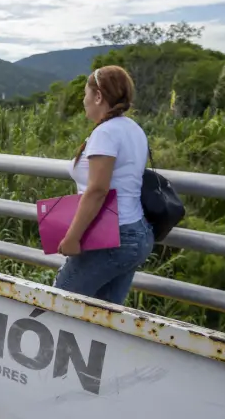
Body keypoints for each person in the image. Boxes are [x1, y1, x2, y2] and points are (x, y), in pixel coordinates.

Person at [53, 65, 154, 305]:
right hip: (136, 233)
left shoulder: (106, 133)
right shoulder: (134, 129)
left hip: (112, 236)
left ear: (98, 96)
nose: (83, 99)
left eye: (86, 93)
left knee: (58, 303)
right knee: (102, 318)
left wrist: (72, 237)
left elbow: (98, 190)